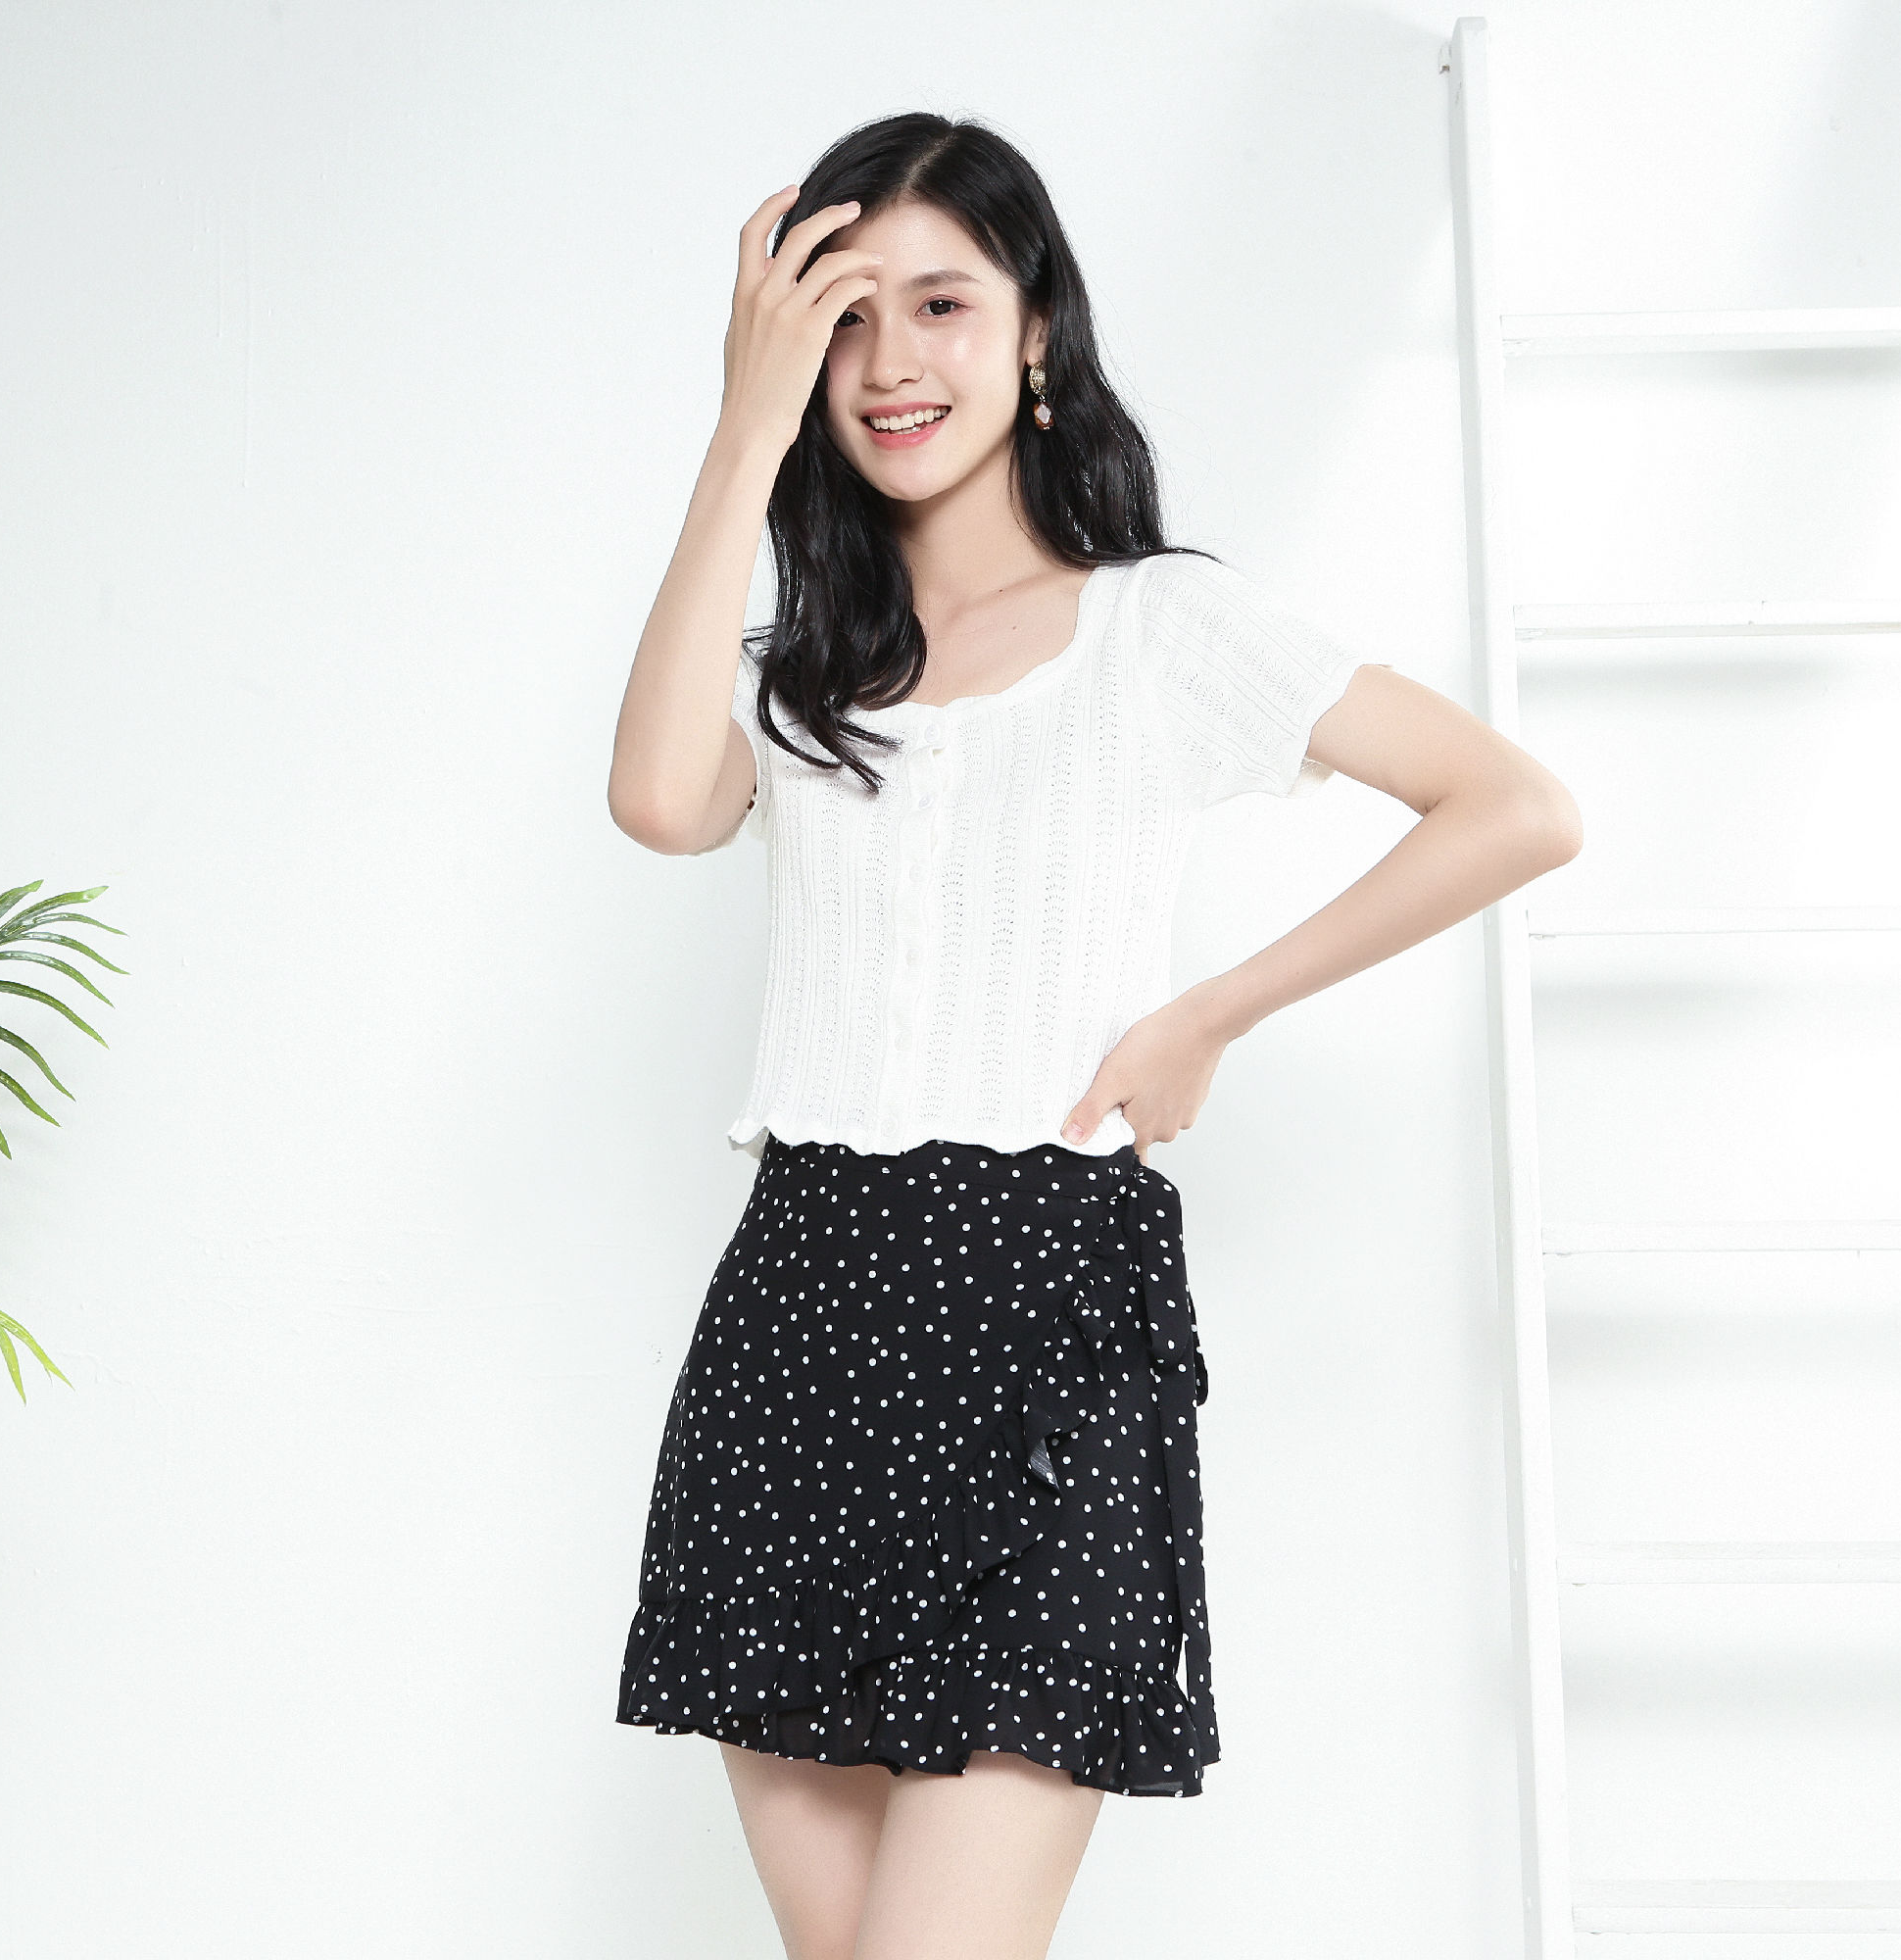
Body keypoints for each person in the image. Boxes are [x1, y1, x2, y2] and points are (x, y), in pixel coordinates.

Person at [604, 111, 1582, 1960]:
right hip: (802, 1303)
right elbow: (659, 800)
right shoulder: (804, 673)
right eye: (843, 318)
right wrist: (743, 429)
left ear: (1036, 328)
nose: (890, 362)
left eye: (942, 304)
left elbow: (1515, 806)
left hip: (1043, 1307)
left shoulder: (1161, 628)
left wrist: (1213, 1012)